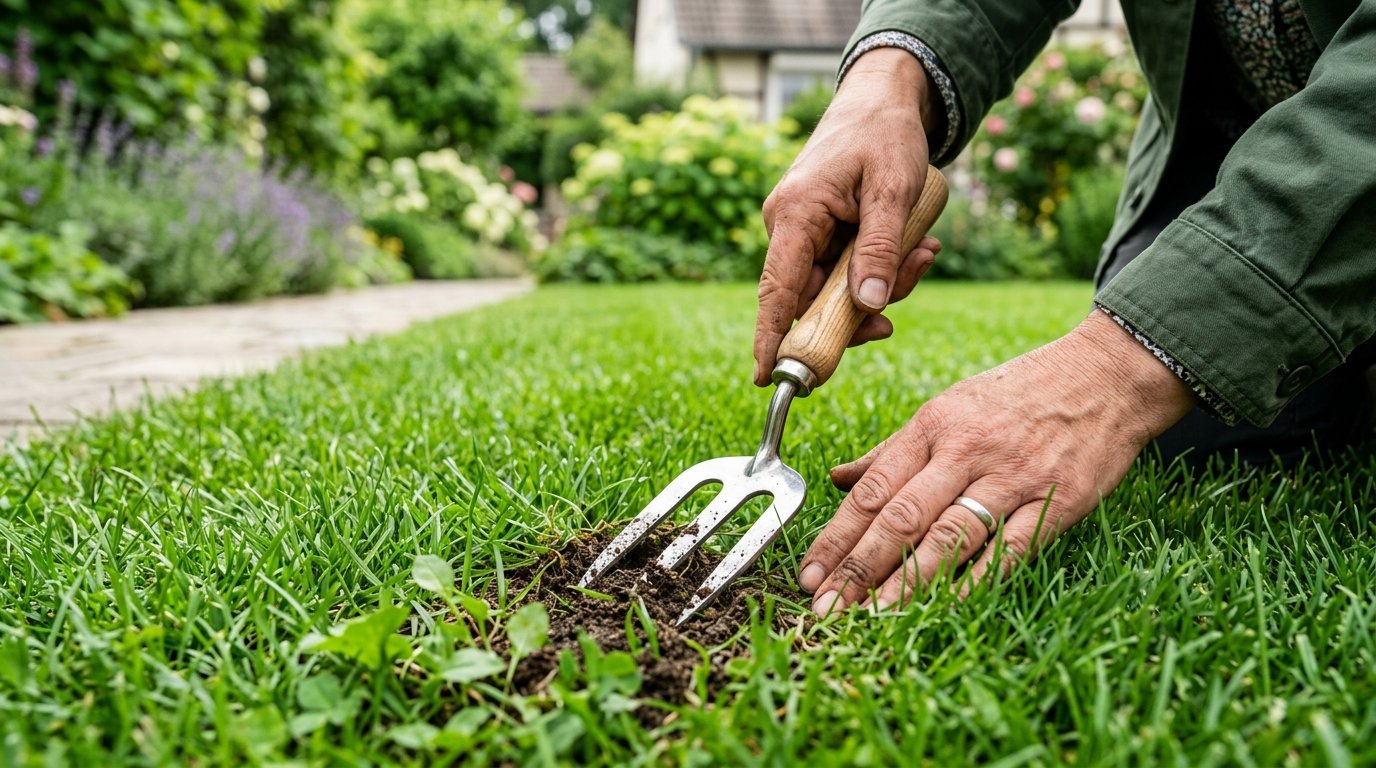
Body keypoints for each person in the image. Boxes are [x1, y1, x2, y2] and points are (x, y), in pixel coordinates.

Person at [754, 0, 1376, 616]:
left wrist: (1114, 370)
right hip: (1224, 162)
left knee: (1189, 364)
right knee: (1204, 435)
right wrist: (887, 78)